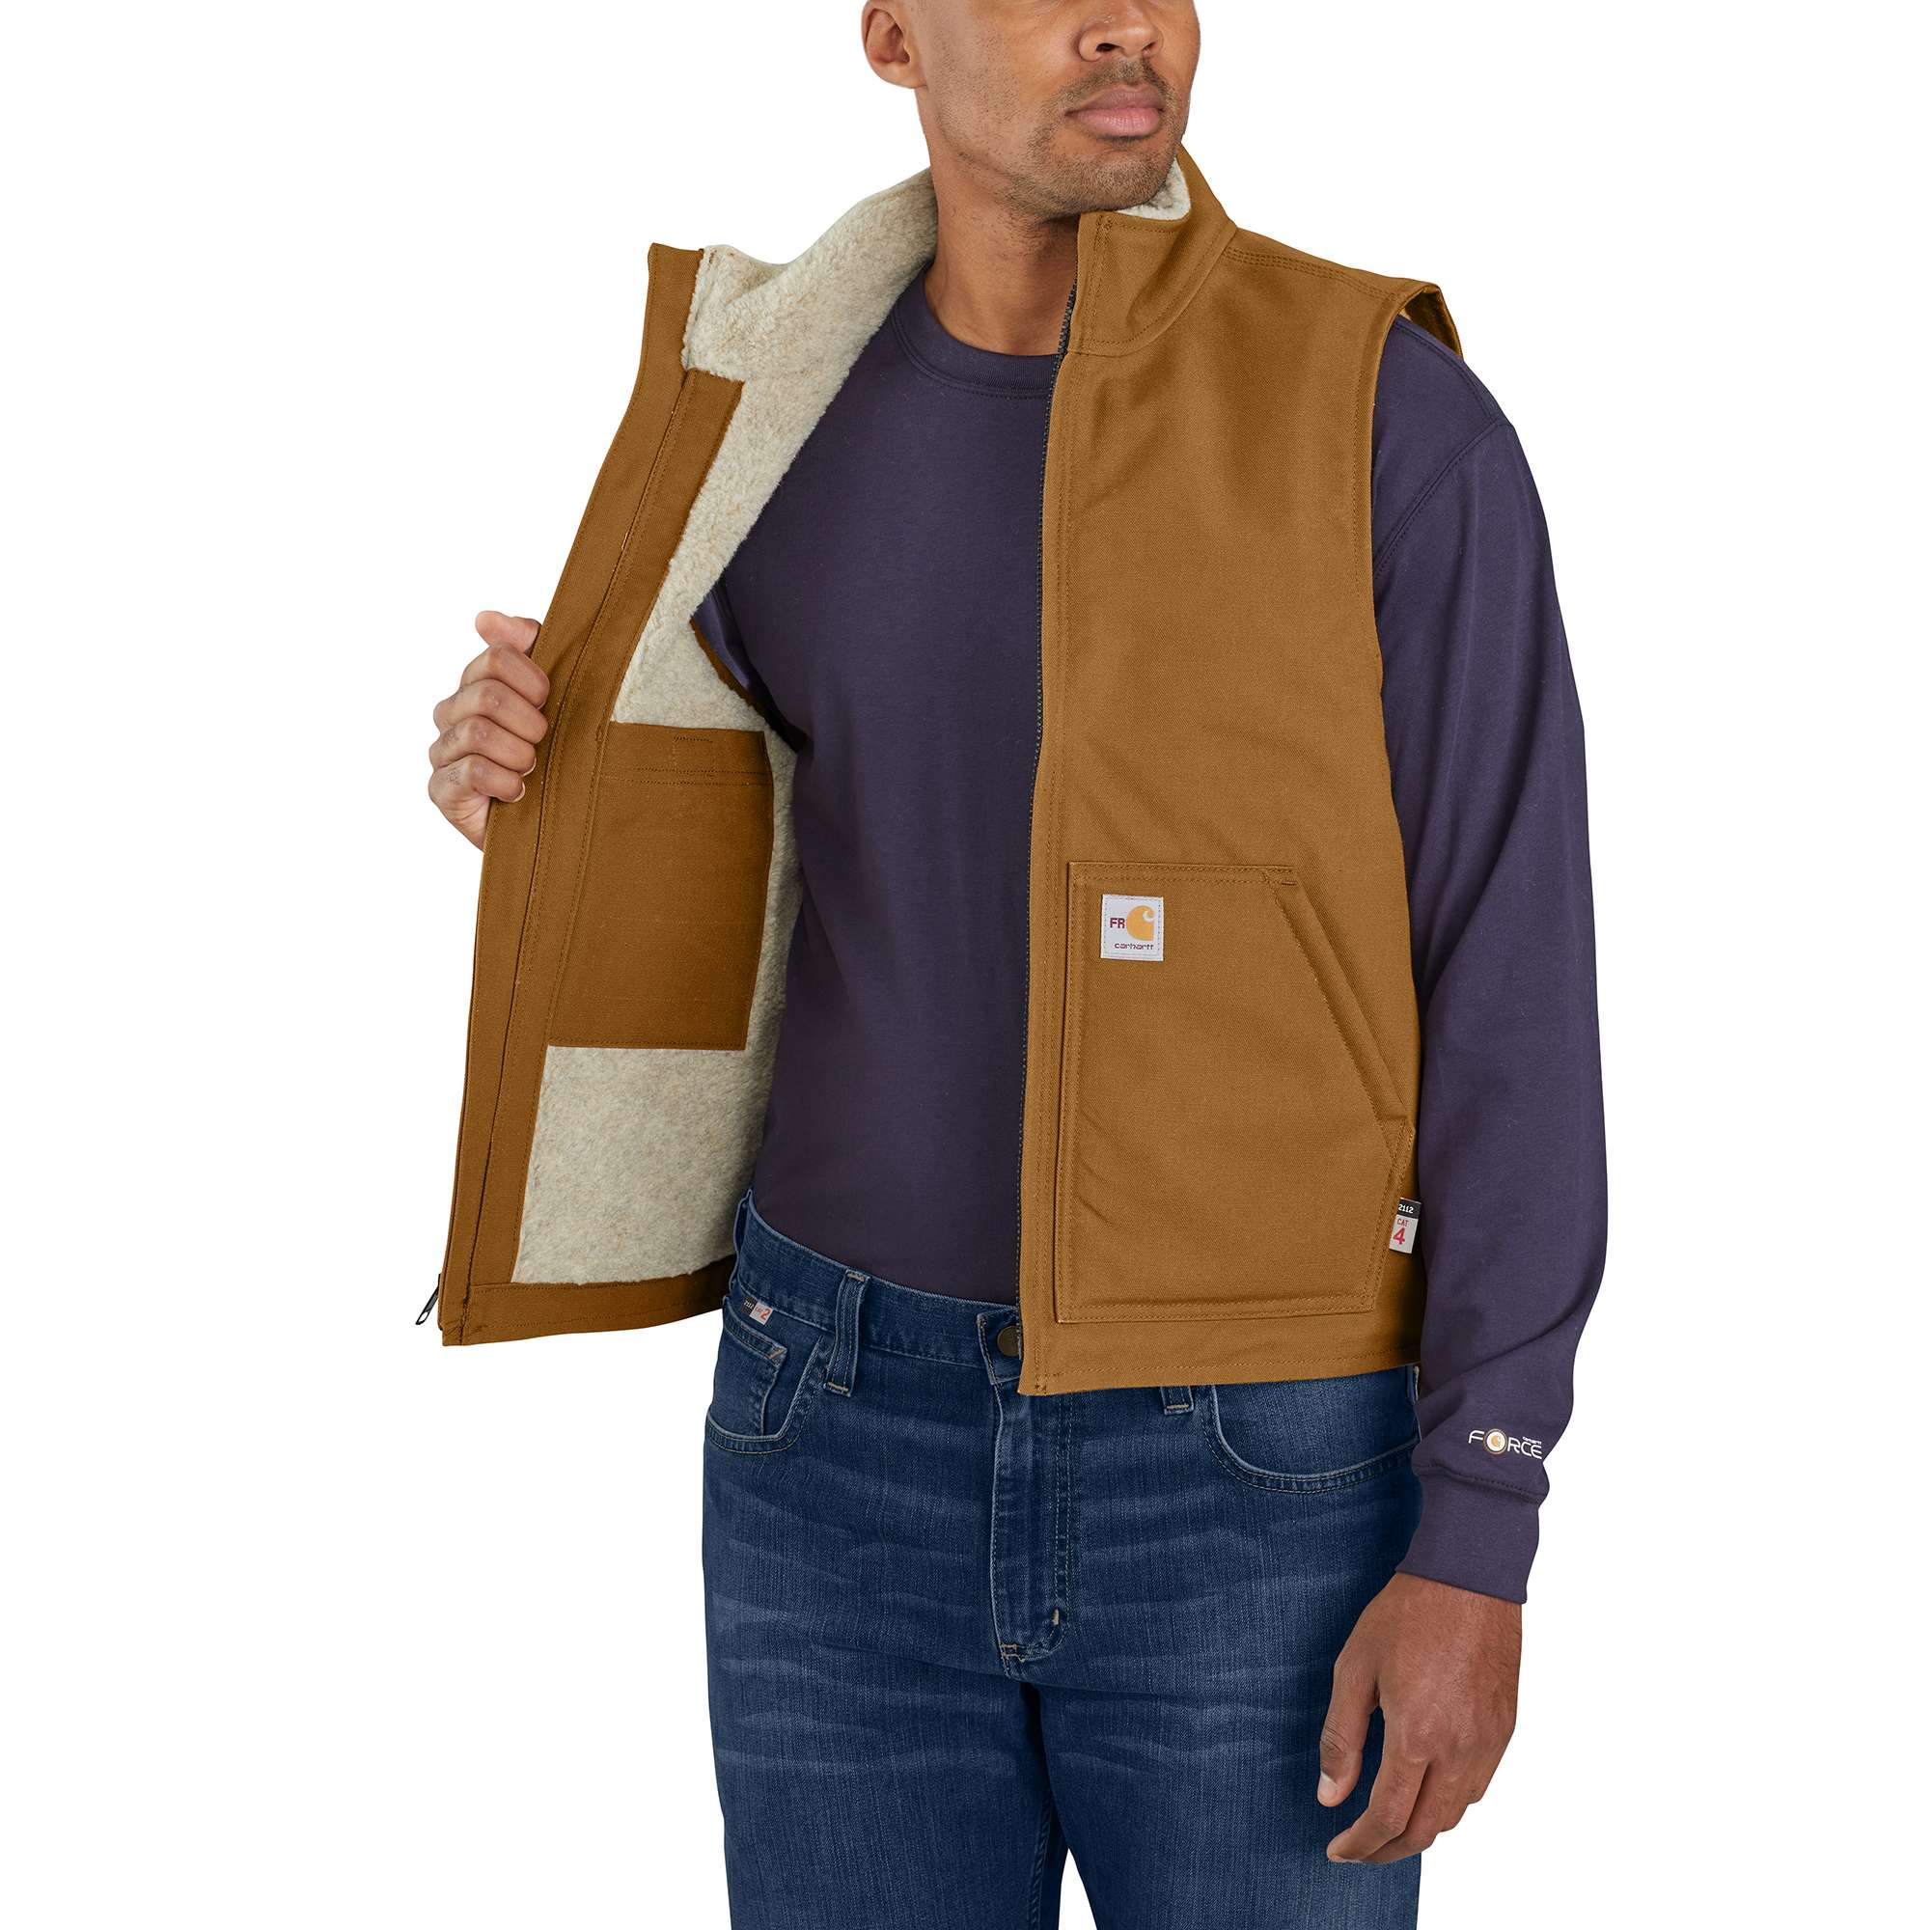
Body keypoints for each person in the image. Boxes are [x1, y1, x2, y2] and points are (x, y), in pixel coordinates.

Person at [423, 5, 1606, 1923]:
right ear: (893, 35)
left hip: (1256, 1456)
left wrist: (1479, 1517)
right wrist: (528, 786)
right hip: (826, 1427)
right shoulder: (771, 409)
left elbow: (1513, 983)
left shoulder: (1378, 415)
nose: (1123, 22)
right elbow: (740, 832)